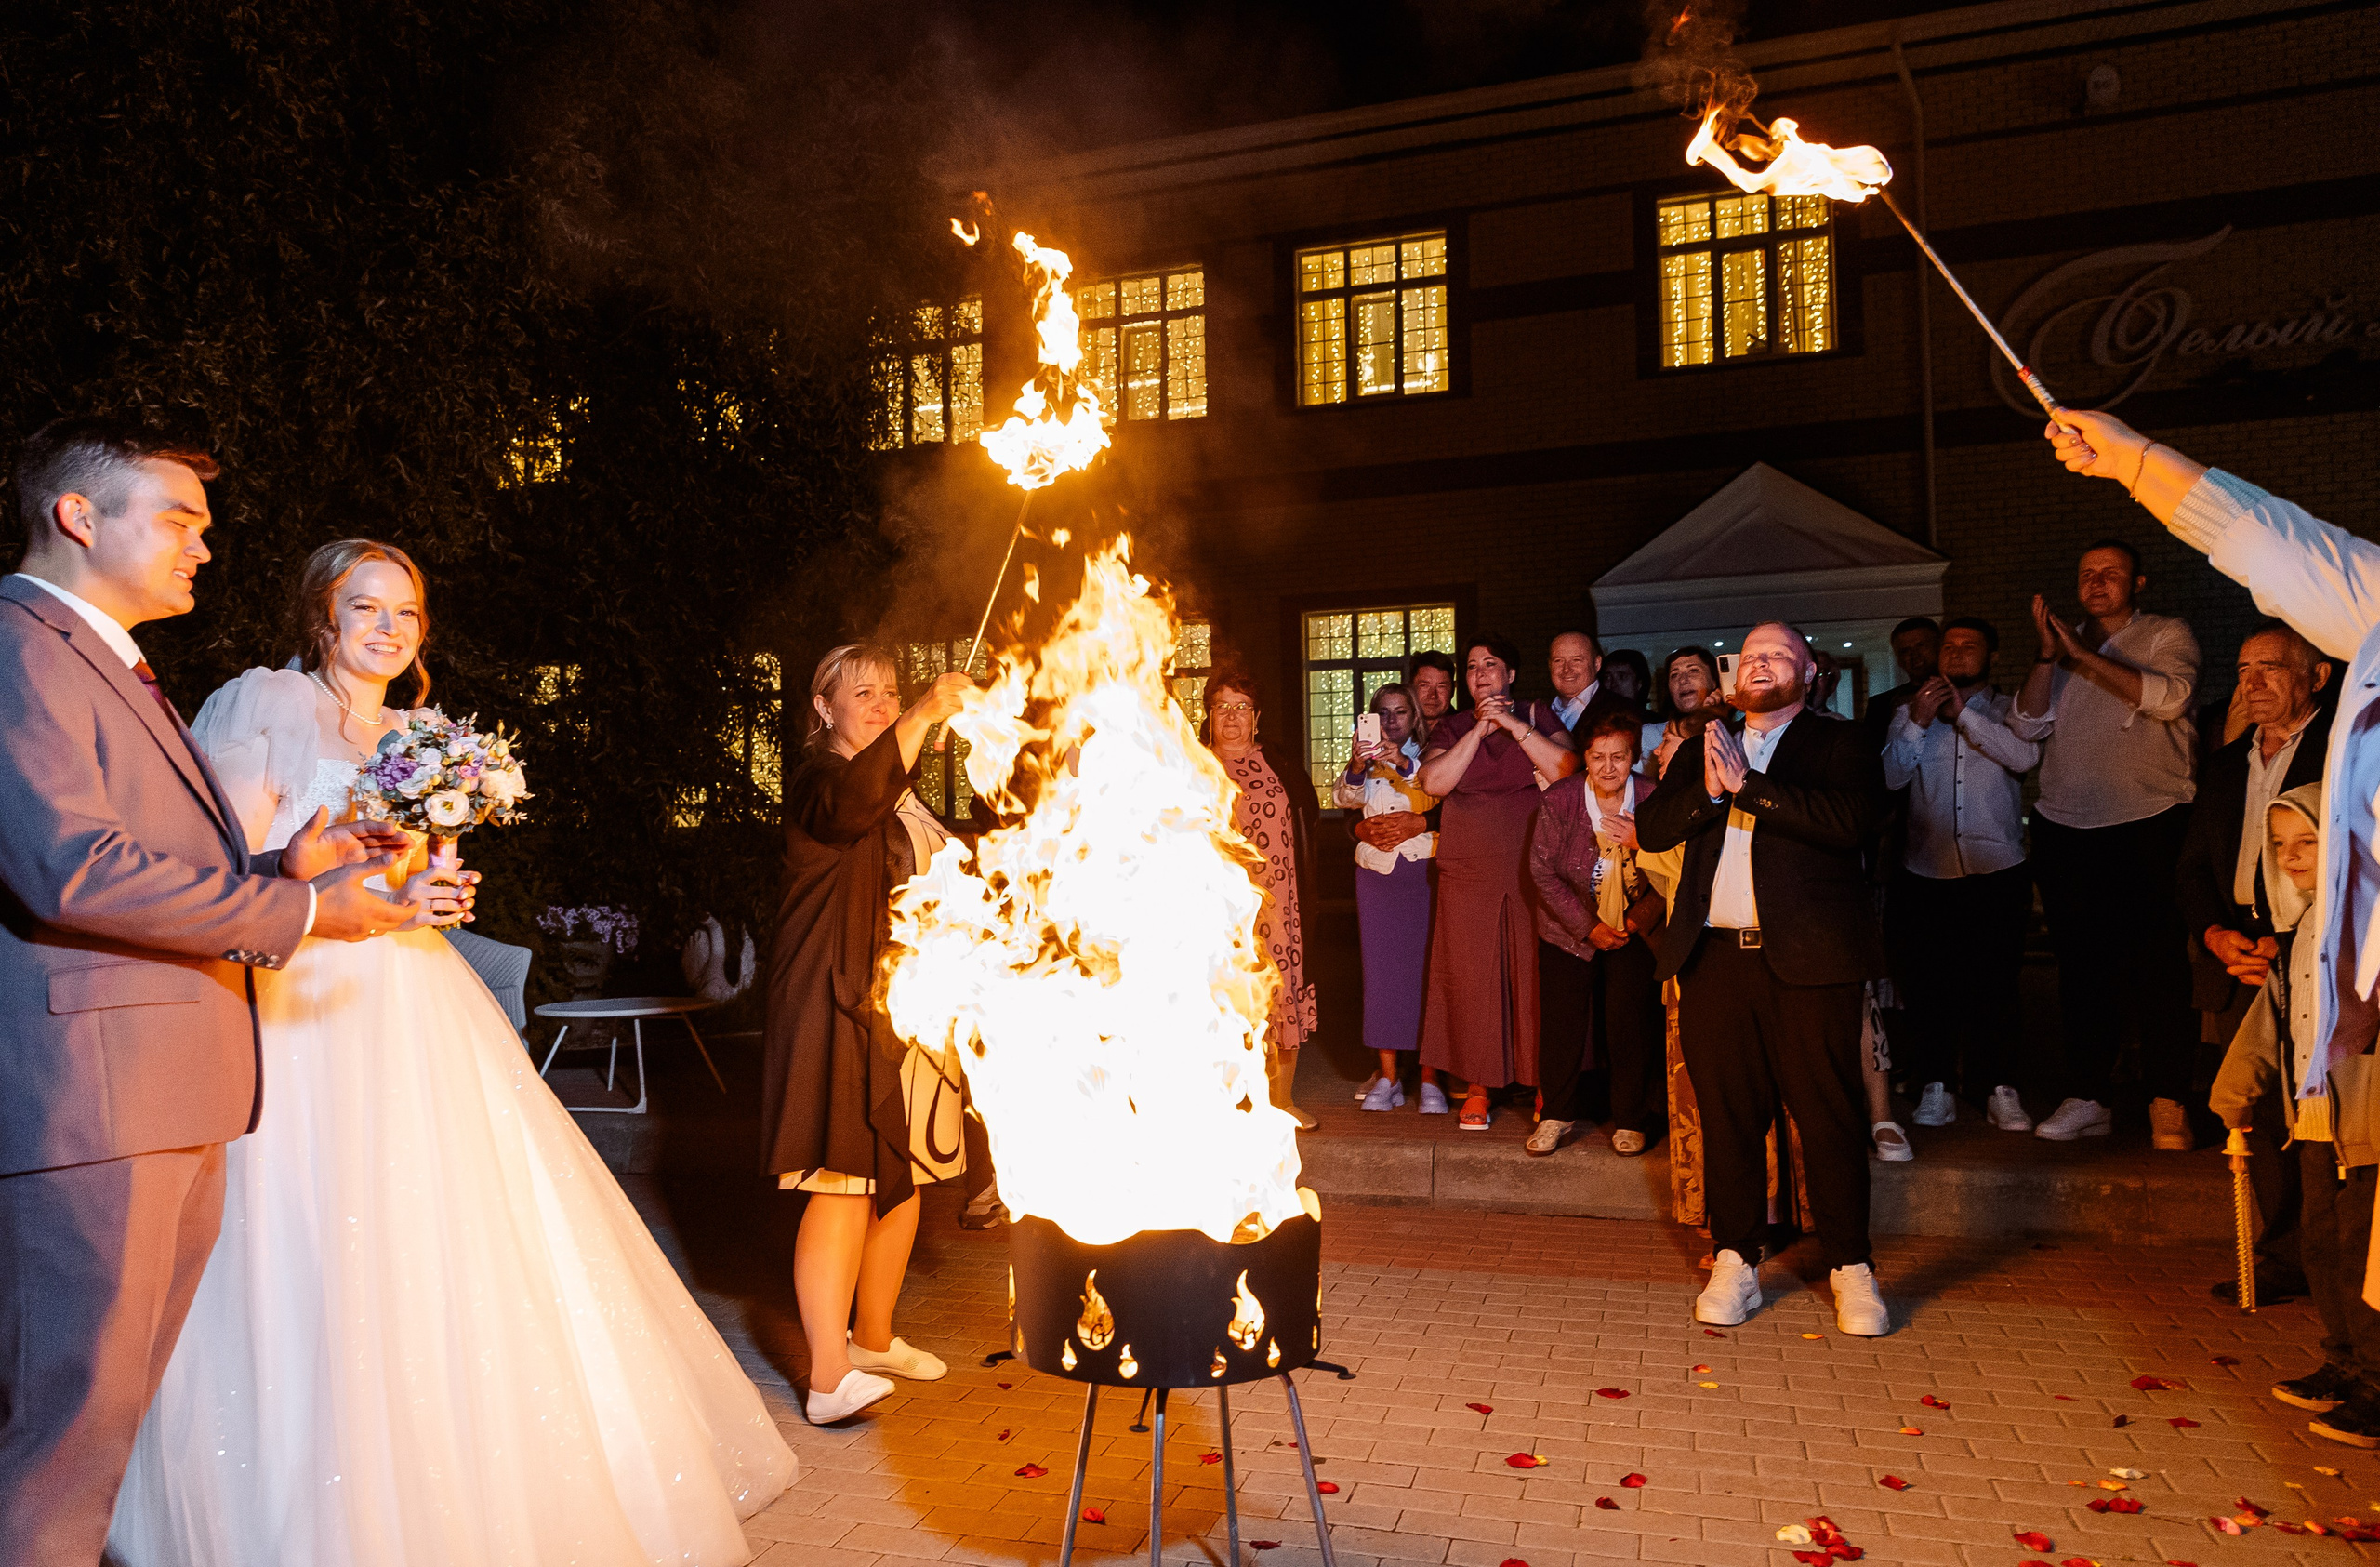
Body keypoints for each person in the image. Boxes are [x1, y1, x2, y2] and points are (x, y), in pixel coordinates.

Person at [113, 540, 797, 1563]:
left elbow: (420, 868)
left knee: (447, 1227)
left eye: (407, 612)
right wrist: (332, 896)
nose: (387, 628)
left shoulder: (420, 732)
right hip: (303, 998)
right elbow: (228, 872)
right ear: (321, 616)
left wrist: (437, 894)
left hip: (413, 993)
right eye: (365, 607)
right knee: (302, 1233)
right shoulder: (267, 706)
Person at [0, 422, 435, 1567]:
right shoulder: (20, 644)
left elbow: (152, 853)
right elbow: (68, 864)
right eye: (182, 518)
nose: (208, 542)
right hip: (95, 1104)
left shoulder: (109, 658)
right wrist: (294, 917)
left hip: (168, 1095)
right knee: (60, 1441)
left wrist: (281, 869)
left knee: (102, 1427)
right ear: (81, 517)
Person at [2044, 408, 2380, 1438]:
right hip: (2345, 989)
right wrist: (2138, 462)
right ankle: (2355, 1358)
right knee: (2334, 1181)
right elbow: (2263, 539)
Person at [1637, 621, 1890, 1337]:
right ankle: (1736, 1257)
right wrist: (1711, 793)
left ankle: (1850, 1266)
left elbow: (1852, 823)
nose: (1761, 664)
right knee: (1729, 1118)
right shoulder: (1699, 750)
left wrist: (1751, 788)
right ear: (1732, 678)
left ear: (1809, 673)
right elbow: (1654, 829)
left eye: (1778, 655)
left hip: (1810, 963)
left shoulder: (1841, 743)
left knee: (1828, 1116)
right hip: (1715, 960)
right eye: (1750, 656)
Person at [764, 646, 974, 1423]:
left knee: (903, 1173)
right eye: (865, 692)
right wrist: (921, 716)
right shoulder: (821, 781)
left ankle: (874, 1336)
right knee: (842, 1181)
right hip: (837, 1000)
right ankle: (826, 1379)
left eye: (893, 691)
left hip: (908, 1002)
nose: (885, 702)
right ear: (824, 707)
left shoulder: (902, 785)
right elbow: (853, 807)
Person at [2009, 538, 2202, 1146]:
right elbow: (2024, 725)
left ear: (2137, 582)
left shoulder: (2167, 633)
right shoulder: (2062, 650)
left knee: (2158, 965)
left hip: (2149, 817)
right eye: (2086, 572)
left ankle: (2168, 1099)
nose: (2096, 582)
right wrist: (2049, 657)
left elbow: (2170, 700)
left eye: (2110, 573)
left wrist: (2081, 654)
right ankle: (2088, 1093)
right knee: (2082, 969)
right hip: (2067, 825)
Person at [2209, 784, 2380, 1447]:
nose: (2291, 855)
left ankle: (2376, 1381)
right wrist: (2238, 1089)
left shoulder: (2363, 920)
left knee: (2360, 1249)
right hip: (2311, 1118)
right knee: (2320, 1243)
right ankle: (2345, 1359)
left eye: (2307, 840)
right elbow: (2275, 1018)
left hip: (2363, 1123)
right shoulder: (2307, 922)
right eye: (2279, 844)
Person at [2180, 619, 2334, 1304]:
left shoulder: (2346, 751)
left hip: (2314, 956)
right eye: (2244, 669)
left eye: (2272, 666)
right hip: (2236, 958)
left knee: (2320, 1118)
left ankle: (2334, 1258)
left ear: (2317, 676)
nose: (2254, 682)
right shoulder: (2223, 762)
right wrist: (2214, 932)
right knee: (2259, 1115)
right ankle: (2281, 1256)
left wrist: (2293, 937)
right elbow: (2190, 867)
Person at [1882, 616, 2039, 1133]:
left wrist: (1964, 716)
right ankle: (1936, 1086)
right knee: (1931, 986)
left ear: (1991, 656)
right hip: (1927, 870)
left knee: (1995, 984)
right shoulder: (1909, 712)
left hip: (1998, 869)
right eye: (1949, 645)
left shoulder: (2008, 707)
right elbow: (1891, 775)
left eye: (1970, 645)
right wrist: (1920, 722)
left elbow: (2023, 756)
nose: (1957, 652)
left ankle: (1999, 1087)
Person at [1417, 634, 1580, 1129]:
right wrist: (1479, 728)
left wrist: (1509, 722)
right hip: (1468, 867)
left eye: (1491, 664)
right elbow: (1433, 783)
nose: (1480, 673)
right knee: (1471, 976)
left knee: (1534, 974)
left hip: (1531, 863)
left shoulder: (1536, 713)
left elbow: (1566, 767)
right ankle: (1478, 1086)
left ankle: (1543, 1083)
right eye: (1471, 667)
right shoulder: (1453, 725)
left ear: (1510, 674)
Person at [1529, 711, 1666, 1156]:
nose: (1609, 767)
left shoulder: (1653, 797)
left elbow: (1676, 869)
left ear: (1634, 758)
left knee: (1630, 1024)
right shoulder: (1561, 800)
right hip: (1569, 931)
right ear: (1584, 758)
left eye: (1619, 757)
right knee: (1563, 1026)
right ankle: (1556, 1114)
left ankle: (1630, 1118)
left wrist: (1635, 918)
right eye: (1598, 756)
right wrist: (1589, 926)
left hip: (1632, 931)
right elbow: (1543, 872)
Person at [1204, 669, 1323, 1129]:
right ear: (1208, 716)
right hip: (1213, 902)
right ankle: (1223, 1102)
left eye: (1241, 708)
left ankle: (1280, 1101)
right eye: (1222, 707)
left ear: (1256, 718)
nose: (1231, 717)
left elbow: (1307, 815)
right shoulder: (1190, 763)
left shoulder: (1277, 761)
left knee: (1277, 987)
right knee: (1220, 993)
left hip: (1276, 900)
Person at [1335, 684, 1440, 1113]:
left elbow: (1438, 795)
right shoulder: (1364, 756)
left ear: (1414, 718)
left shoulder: (1431, 755)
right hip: (1377, 876)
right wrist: (1359, 763)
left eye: (1401, 712)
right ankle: (1389, 1076)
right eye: (1384, 713)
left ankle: (1432, 1075)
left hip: (1422, 873)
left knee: (1427, 973)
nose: (1393, 721)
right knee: (1381, 976)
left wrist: (1401, 761)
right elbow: (1344, 798)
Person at [1642, 645, 1726, 777]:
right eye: (1674, 675)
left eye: (1693, 670)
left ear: (1714, 681)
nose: (1682, 680)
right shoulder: (1649, 737)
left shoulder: (1736, 731)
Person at [1862, 617, 1942, 754]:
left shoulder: (1964, 694)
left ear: (1939, 647)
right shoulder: (1880, 705)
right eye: (1905, 651)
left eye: (1921, 645)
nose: (1914, 655)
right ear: (1898, 659)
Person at [1408, 649, 1458, 747]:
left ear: (1453, 690)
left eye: (1441, 686)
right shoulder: (1399, 730)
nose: (1433, 695)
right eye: (1424, 686)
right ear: (1411, 688)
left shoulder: (1464, 731)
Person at [1603, 648, 1654, 713]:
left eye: (1621, 677)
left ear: (1639, 683)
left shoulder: (1656, 722)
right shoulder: (1594, 721)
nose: (1613, 685)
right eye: (1607, 678)